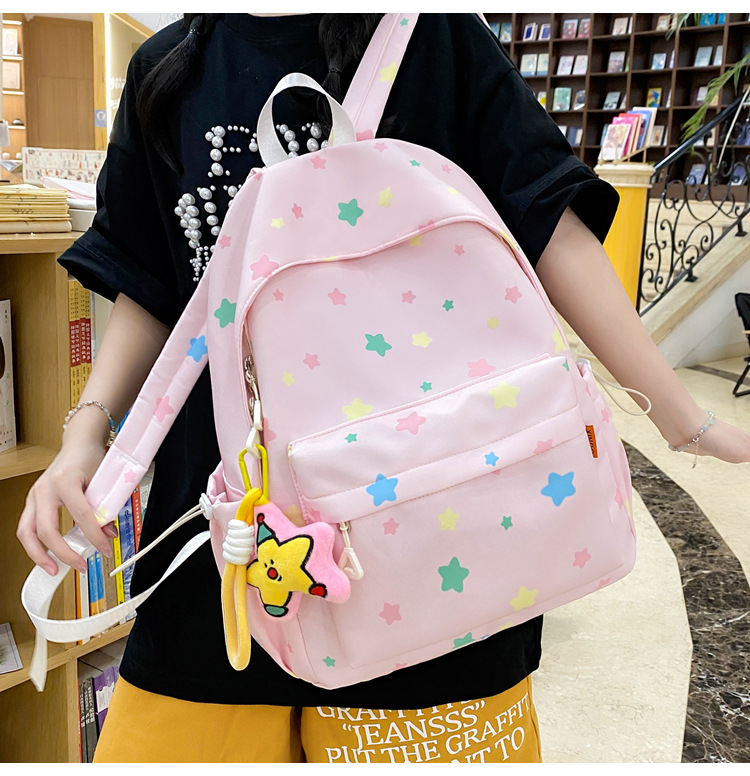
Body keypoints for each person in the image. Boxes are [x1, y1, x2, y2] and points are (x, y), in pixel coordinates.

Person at [16, 13, 750, 764]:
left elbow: (551, 226)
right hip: (227, 543)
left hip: (433, 541)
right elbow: (152, 282)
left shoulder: (434, 34)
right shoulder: (167, 67)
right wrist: (87, 431)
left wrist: (684, 418)